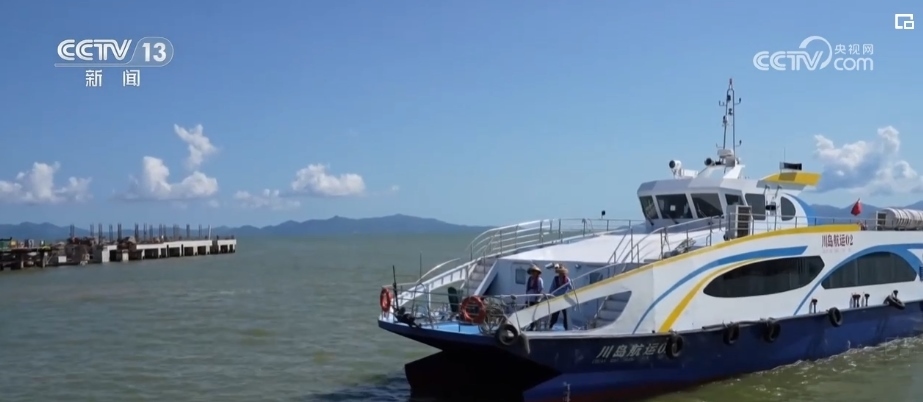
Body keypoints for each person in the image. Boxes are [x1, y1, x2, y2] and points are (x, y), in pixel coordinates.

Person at [548, 263, 572, 330]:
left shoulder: (567, 279)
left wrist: (570, 293)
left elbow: (571, 288)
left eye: (562, 272)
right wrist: (550, 295)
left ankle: (566, 328)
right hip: (557, 299)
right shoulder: (555, 279)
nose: (561, 274)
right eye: (560, 273)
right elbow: (552, 288)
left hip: (564, 299)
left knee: (565, 315)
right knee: (555, 314)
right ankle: (550, 326)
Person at [525, 265, 544, 330]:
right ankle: (530, 326)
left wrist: (538, 299)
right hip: (529, 298)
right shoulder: (529, 279)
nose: (533, 273)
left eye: (534, 272)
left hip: (535, 299)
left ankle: (535, 327)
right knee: (529, 313)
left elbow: (540, 290)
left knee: (534, 313)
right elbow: (527, 289)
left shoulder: (539, 280)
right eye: (532, 272)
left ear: (537, 273)